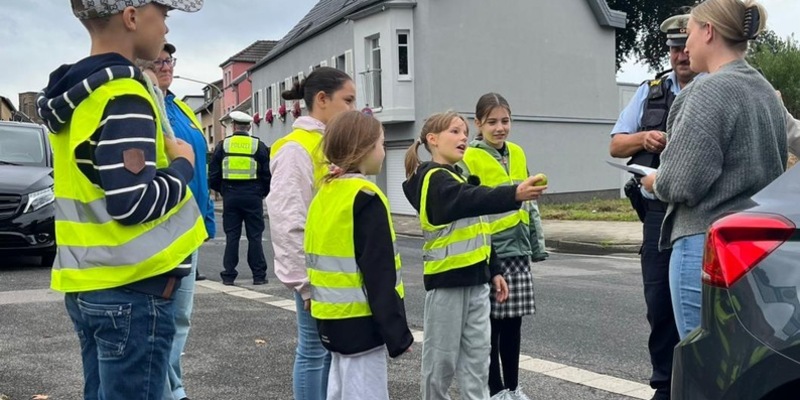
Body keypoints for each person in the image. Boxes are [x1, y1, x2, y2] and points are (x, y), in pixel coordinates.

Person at [40, 1, 206, 398]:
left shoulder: (79, 94)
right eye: (163, 15)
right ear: (131, 17)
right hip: (132, 292)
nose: (166, 29)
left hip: (91, 283)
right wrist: (184, 166)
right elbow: (133, 203)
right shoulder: (123, 95)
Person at [641, 0, 786, 339]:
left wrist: (652, 181)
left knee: (704, 360)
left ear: (709, 32)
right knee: (744, 357)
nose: (685, 44)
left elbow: (680, 184)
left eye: (689, 32)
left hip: (705, 246)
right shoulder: (764, 90)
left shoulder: (706, 91)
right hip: (757, 246)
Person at [402, 111, 547, 400]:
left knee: (478, 359)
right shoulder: (433, 179)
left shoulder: (458, 176)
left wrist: (494, 270)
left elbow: (479, 228)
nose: (463, 137)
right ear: (432, 140)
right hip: (448, 285)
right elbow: (469, 200)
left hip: (478, 282)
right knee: (440, 362)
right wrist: (513, 194)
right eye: (454, 132)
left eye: (465, 132)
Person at [608, 13, 694, 400]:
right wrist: (645, 137)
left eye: (686, 47)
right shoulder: (651, 90)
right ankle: (664, 383)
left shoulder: (715, 88)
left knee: (699, 302)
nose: (681, 56)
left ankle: (697, 381)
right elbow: (616, 145)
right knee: (659, 302)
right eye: (675, 49)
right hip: (657, 215)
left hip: (699, 212)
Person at [304, 110, 413, 400]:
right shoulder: (365, 198)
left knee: (338, 390)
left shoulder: (324, 193)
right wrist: (397, 334)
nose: (384, 151)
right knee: (366, 392)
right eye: (381, 144)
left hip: (330, 317)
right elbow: (379, 273)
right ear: (363, 149)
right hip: (362, 322)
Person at [266, 66, 356, 400]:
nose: (354, 108)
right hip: (315, 277)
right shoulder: (296, 149)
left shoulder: (329, 146)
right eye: (347, 100)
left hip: (337, 274)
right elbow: (288, 220)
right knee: (314, 352)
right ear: (322, 99)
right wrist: (302, 284)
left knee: (330, 352)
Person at [459, 93, 546, 400]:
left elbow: (530, 204)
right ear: (478, 124)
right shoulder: (469, 157)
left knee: (514, 324)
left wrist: (537, 243)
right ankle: (494, 389)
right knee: (491, 327)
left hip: (518, 248)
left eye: (505, 121)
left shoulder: (518, 152)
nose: (500, 128)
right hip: (491, 250)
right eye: (492, 122)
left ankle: (513, 386)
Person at [153, 42, 216, 400]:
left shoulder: (179, 107)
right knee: (163, 321)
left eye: (170, 59)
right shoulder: (147, 104)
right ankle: (169, 390)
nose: (166, 66)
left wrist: (207, 218)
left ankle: (172, 387)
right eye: (159, 60)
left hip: (189, 226)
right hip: (163, 227)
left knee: (180, 319)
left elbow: (200, 170)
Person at [209, 111, 270, 285]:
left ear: (234, 126)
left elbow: (213, 174)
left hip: (230, 195)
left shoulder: (223, 145)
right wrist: (262, 191)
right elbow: (267, 173)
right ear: (249, 127)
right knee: (255, 236)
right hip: (253, 195)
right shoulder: (258, 145)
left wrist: (222, 190)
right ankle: (259, 276)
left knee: (232, 237)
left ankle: (228, 275)